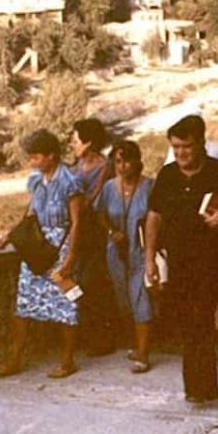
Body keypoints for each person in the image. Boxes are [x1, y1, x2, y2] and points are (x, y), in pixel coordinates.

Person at [143, 115, 218, 404]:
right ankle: (202, 386)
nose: (181, 154)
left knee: (199, 317)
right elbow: (154, 216)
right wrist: (150, 258)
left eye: (187, 147)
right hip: (179, 261)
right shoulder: (167, 175)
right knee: (191, 321)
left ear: (201, 143)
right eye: (176, 147)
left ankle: (198, 389)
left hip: (213, 258)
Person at [0, 129, 86, 379]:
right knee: (24, 302)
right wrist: (11, 235)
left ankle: (67, 361)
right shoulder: (37, 181)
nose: (33, 162)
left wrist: (70, 260)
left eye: (36, 157)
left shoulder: (70, 181)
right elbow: (30, 213)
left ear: (51, 156)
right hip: (37, 247)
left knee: (66, 302)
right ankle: (15, 358)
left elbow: (77, 223)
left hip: (61, 246)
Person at [94, 141, 155, 373]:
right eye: (118, 161)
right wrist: (112, 231)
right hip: (116, 252)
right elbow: (100, 214)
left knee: (141, 298)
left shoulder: (150, 186)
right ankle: (135, 344)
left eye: (127, 160)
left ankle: (143, 353)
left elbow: (158, 218)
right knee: (125, 298)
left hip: (140, 251)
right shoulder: (110, 187)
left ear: (138, 161)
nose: (122, 166)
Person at [69, 118, 120, 356]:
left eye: (76, 139)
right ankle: (85, 334)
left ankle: (101, 338)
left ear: (88, 143)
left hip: (96, 232)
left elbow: (98, 202)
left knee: (93, 283)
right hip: (77, 230)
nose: (72, 143)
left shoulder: (104, 168)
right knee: (77, 283)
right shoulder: (75, 166)